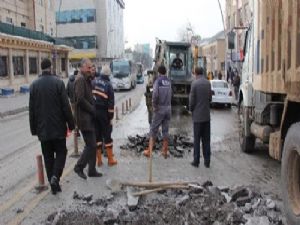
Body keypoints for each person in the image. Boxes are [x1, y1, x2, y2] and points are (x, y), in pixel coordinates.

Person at [29, 58, 75, 194]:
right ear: (51, 67)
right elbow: (66, 107)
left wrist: (33, 129)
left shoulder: (34, 85)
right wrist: (71, 124)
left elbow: (31, 110)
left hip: (43, 130)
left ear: (41, 68)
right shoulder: (58, 83)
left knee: (48, 156)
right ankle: (55, 177)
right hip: (58, 128)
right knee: (61, 152)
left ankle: (53, 184)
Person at [74, 58, 102, 179]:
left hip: (89, 118)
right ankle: (79, 166)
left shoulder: (86, 79)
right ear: (82, 67)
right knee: (91, 145)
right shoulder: (80, 79)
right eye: (89, 67)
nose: (91, 69)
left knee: (93, 144)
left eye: (91, 67)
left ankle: (91, 170)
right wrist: (92, 109)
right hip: (84, 119)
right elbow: (80, 99)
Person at [144, 65, 172, 158]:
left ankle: (149, 151)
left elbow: (155, 95)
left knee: (153, 129)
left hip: (160, 109)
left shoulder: (158, 81)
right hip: (168, 109)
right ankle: (165, 151)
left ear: (159, 73)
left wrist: (154, 106)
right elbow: (171, 94)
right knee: (165, 130)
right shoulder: (168, 81)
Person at [92, 65, 117, 167]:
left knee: (97, 136)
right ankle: (110, 160)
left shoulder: (94, 82)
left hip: (94, 113)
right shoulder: (108, 85)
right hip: (104, 114)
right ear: (108, 75)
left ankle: (99, 161)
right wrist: (110, 117)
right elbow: (111, 104)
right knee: (107, 136)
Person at [189, 67, 212, 168]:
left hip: (197, 118)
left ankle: (196, 161)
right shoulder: (208, 83)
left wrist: (191, 109)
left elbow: (192, 101)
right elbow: (210, 98)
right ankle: (207, 161)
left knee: (197, 140)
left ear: (195, 73)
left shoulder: (194, 84)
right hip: (206, 117)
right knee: (206, 140)